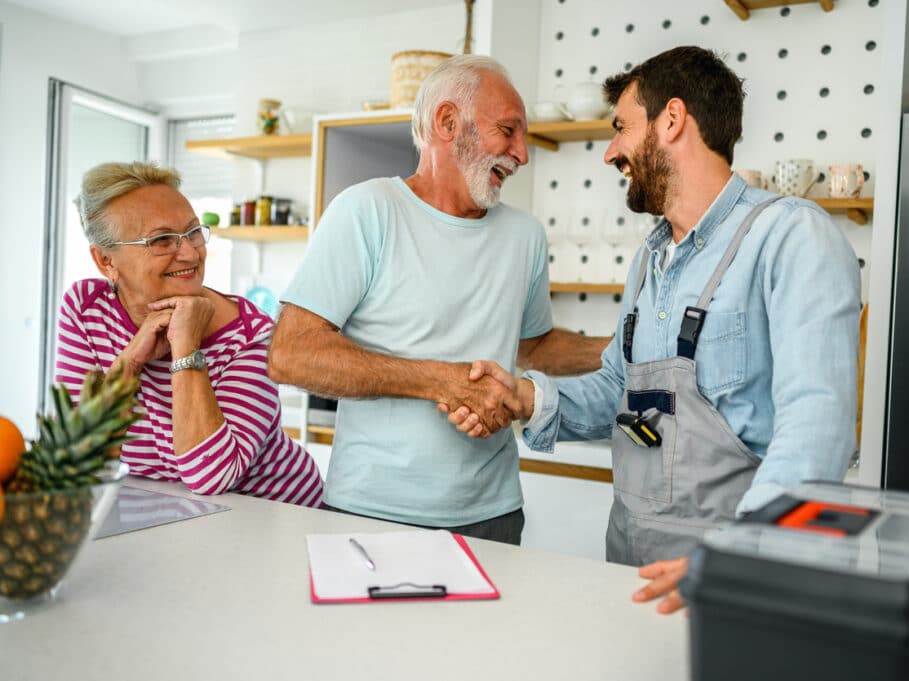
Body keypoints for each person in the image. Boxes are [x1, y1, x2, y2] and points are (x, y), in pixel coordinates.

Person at [449, 45, 861, 601]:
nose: (611, 152)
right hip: (631, 566)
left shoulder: (790, 237)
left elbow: (818, 428)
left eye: (621, 127)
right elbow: (623, 393)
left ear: (672, 119)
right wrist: (528, 399)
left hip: (735, 584)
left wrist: (740, 556)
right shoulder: (651, 258)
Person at [267, 55, 608, 544]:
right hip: (370, 513)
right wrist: (440, 382)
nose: (522, 154)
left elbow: (533, 348)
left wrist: (624, 348)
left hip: (495, 514)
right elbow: (291, 355)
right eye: (508, 131)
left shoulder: (525, 236)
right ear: (447, 122)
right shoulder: (367, 211)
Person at [55, 161, 324, 507]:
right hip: (172, 512)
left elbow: (211, 475)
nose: (189, 252)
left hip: (279, 517)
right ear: (106, 261)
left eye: (193, 232)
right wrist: (131, 362)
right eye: (161, 240)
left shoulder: (252, 335)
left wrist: (186, 346)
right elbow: (80, 453)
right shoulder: (86, 307)